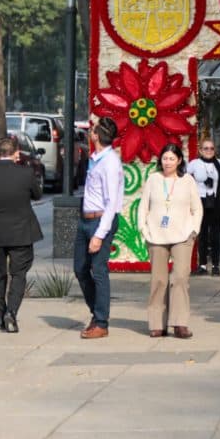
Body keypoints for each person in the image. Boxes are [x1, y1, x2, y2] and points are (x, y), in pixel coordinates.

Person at [0, 135, 43, 333]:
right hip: (21, 230)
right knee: (19, 273)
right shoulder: (26, 174)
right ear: (17, 154)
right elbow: (37, 195)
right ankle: (11, 312)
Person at [138, 142, 202, 339]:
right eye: (165, 158)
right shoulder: (153, 180)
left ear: (179, 160)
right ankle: (157, 324)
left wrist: (193, 230)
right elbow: (143, 207)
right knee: (159, 280)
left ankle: (180, 323)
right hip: (157, 236)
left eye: (172, 159)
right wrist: (144, 229)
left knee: (180, 277)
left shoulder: (187, 181)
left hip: (182, 235)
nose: (168, 162)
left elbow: (197, 208)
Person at [75, 117, 124, 339]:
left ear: (95, 135)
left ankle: (101, 322)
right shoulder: (95, 159)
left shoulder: (110, 163)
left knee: (99, 270)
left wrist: (99, 235)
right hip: (86, 219)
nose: (89, 132)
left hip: (101, 220)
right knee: (80, 268)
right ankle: (96, 311)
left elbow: (111, 202)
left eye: (91, 129)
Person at [186, 138, 220, 277]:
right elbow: (183, 176)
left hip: (216, 202)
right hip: (201, 201)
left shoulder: (219, 163)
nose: (209, 151)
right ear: (200, 150)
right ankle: (203, 265)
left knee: (215, 234)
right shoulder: (195, 164)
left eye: (211, 148)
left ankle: (216, 265)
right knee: (203, 234)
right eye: (206, 148)